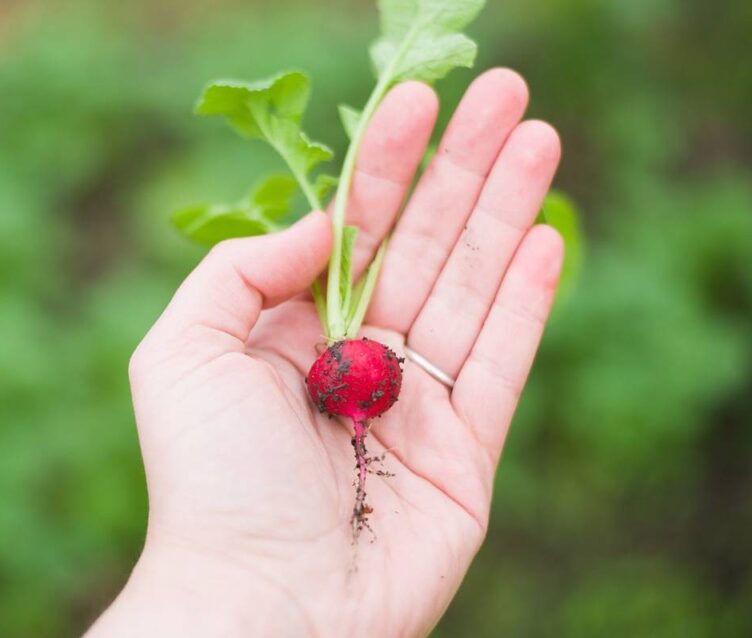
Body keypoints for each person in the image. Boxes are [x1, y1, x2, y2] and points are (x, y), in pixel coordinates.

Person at [88, 68, 563, 637]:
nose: (356, 429)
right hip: (350, 366)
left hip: (352, 368)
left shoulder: (357, 373)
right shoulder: (355, 368)